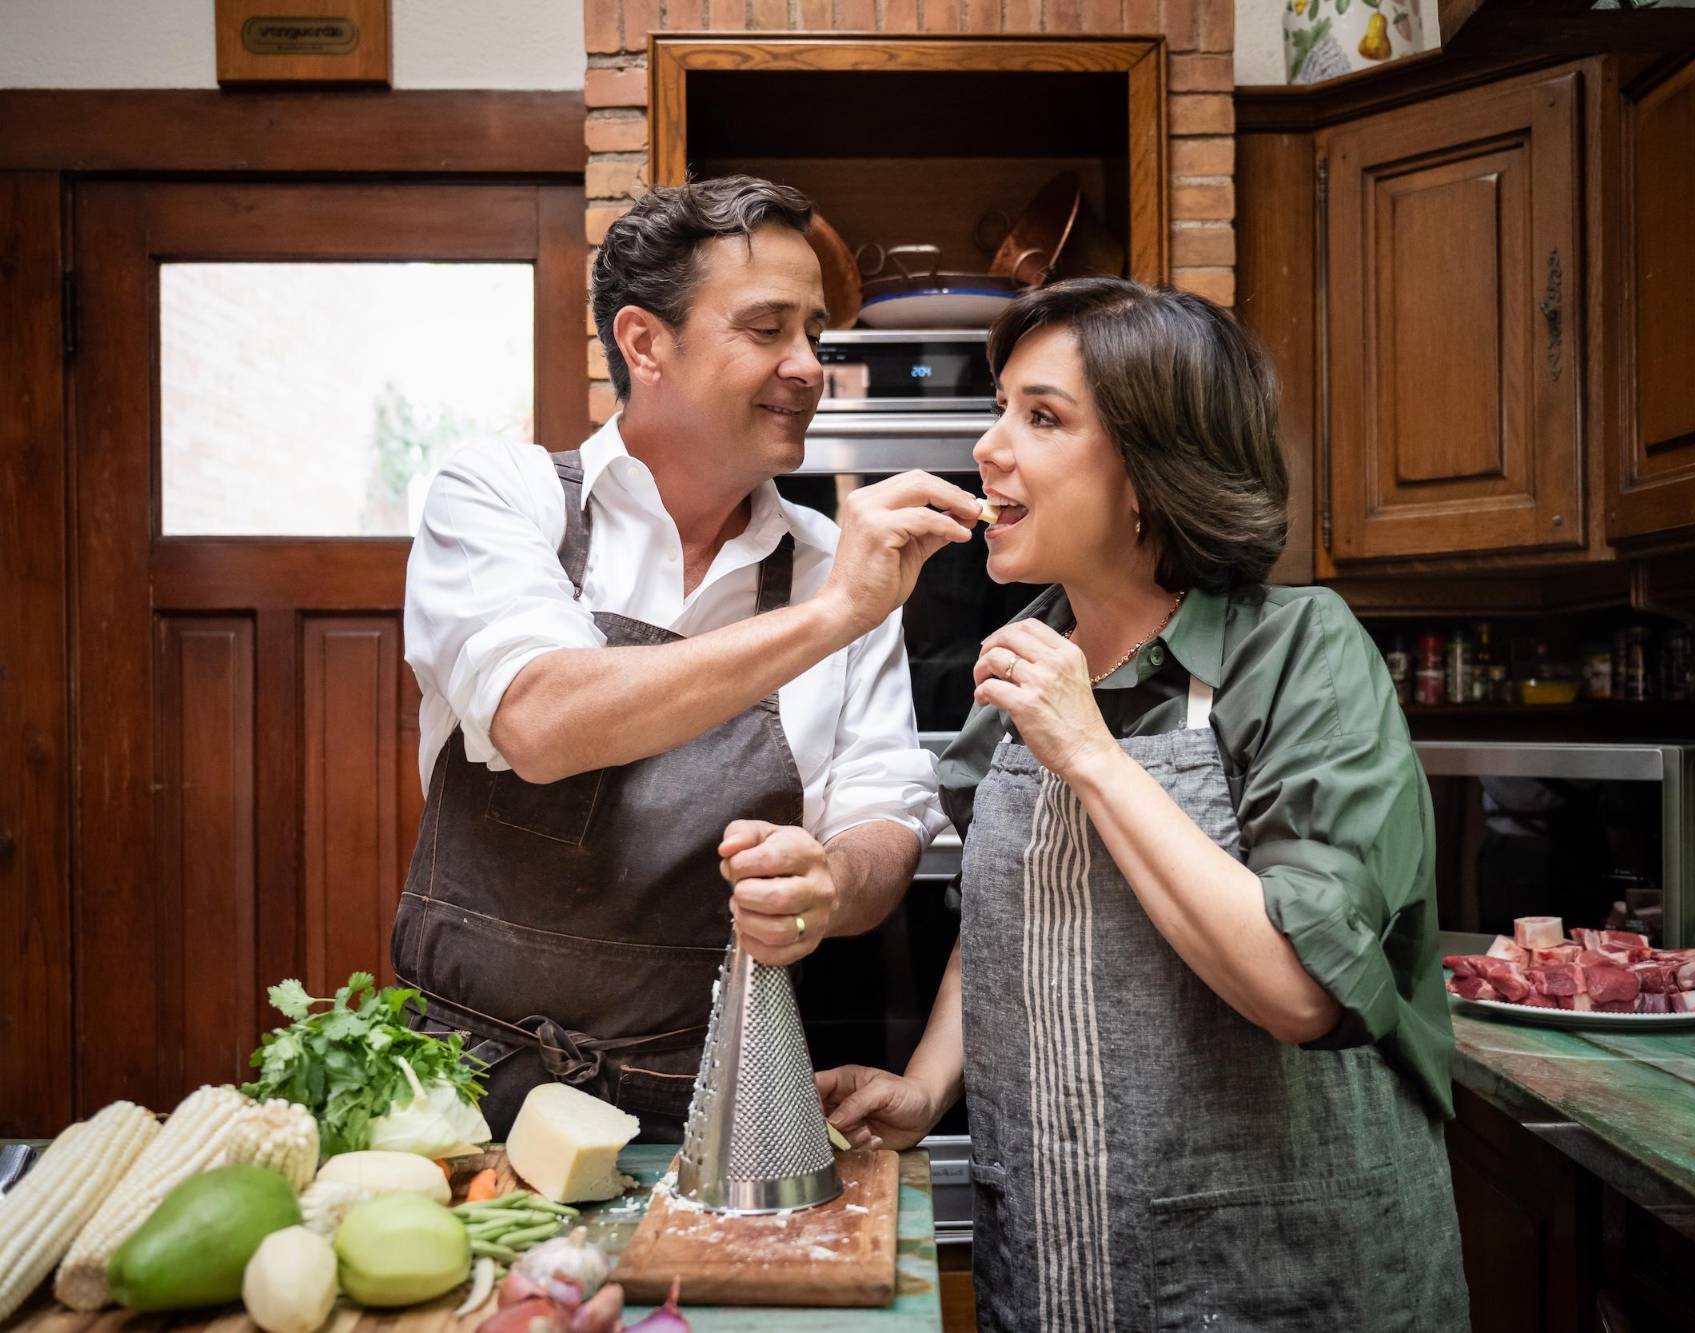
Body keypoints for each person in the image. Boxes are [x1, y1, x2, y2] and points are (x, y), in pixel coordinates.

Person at [816, 278, 1471, 1330]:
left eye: (1040, 417)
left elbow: (1300, 992)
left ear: (1148, 475)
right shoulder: (1028, 660)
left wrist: (1090, 751)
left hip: (1285, 1273)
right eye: (999, 408)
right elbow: (1008, 923)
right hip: (1061, 1258)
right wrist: (927, 1085)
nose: (987, 447)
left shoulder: (1298, 653)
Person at [394, 176, 978, 1137]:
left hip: (707, 1115)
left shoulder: (839, 570)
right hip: (453, 1107)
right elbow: (542, 719)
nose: (809, 367)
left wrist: (831, 884)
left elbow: (889, 815)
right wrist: (833, 613)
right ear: (643, 342)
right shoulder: (504, 498)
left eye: (816, 335)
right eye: (766, 329)